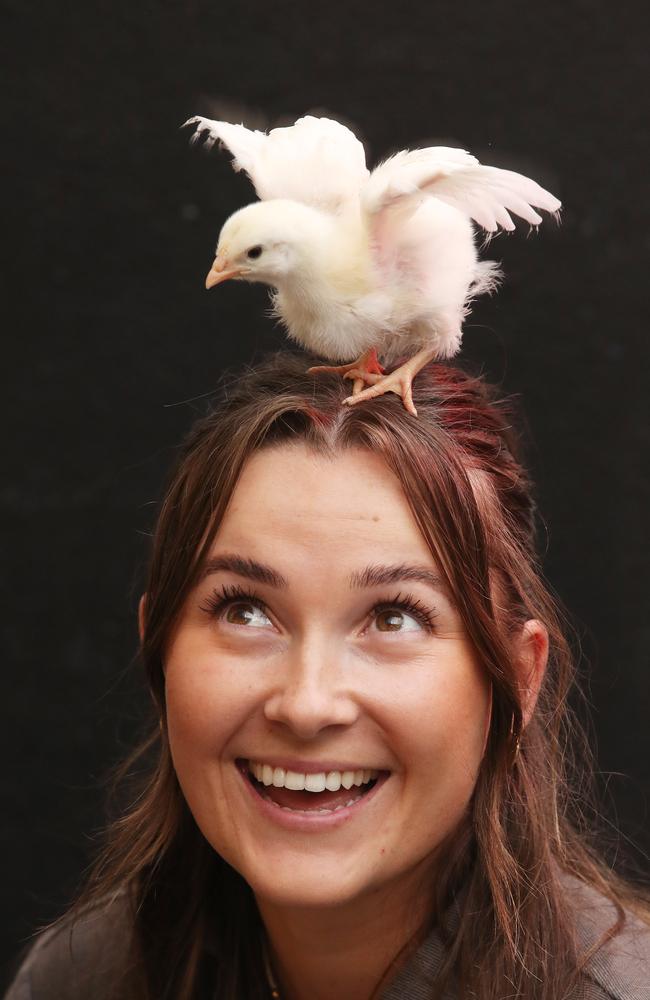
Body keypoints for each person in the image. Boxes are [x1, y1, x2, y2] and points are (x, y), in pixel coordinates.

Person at [5, 352, 650, 1000]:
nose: (307, 704)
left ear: (518, 677)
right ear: (158, 651)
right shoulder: (78, 980)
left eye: (394, 618)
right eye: (246, 611)